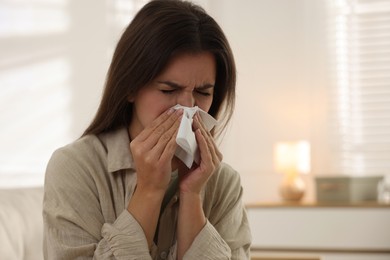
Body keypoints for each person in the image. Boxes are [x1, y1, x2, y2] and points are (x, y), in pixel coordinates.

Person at [43, 0, 252, 259]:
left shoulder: (224, 183)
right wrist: (149, 190)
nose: (187, 106)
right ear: (130, 87)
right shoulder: (76, 167)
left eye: (203, 92)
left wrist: (192, 196)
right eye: (168, 90)